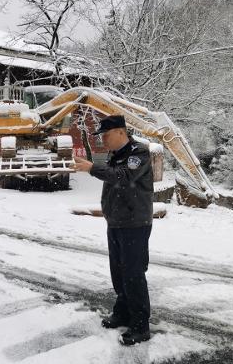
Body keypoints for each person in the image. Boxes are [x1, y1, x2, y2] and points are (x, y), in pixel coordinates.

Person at [72, 115, 154, 346]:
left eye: (106, 136)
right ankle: (123, 312)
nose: (103, 141)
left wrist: (91, 168)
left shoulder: (139, 152)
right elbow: (113, 181)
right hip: (116, 222)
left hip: (135, 224)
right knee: (118, 272)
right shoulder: (115, 154)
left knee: (133, 274)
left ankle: (140, 325)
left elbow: (125, 177)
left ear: (120, 132)